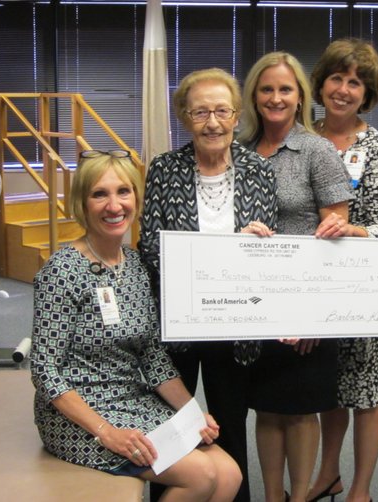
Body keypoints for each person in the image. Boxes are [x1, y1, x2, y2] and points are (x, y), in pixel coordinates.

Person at [30, 149, 242, 502]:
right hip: (79, 415)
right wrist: (107, 432)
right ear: (82, 203)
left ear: (136, 199)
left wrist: (193, 414)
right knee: (201, 476)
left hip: (131, 400)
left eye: (123, 192)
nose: (114, 205)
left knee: (231, 474)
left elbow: (152, 356)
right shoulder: (62, 270)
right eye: (100, 194)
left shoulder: (136, 266)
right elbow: (44, 368)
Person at [139, 68, 278, 502]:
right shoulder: (164, 169)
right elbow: (150, 247)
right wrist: (221, 252)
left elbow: (267, 250)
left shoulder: (258, 170)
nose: (212, 122)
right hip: (177, 321)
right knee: (172, 428)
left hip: (234, 323)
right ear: (185, 116)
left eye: (221, 110)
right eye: (201, 112)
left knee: (230, 426)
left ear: (237, 115)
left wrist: (257, 245)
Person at [237, 51, 355, 502]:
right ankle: (273, 497)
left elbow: (337, 234)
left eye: (285, 89)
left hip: (306, 306)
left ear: (301, 96)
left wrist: (313, 315)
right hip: (255, 305)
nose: (275, 97)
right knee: (266, 410)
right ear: (253, 95)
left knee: (302, 411)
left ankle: (301, 496)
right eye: (266, 89)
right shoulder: (239, 150)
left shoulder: (318, 151)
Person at [307, 39, 378, 502]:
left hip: (359, 284)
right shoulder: (300, 136)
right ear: (320, 83)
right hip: (306, 285)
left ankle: (360, 490)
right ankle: (328, 473)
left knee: (362, 390)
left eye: (355, 82)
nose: (343, 90)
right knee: (325, 387)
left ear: (368, 93)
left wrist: (349, 229)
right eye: (336, 78)